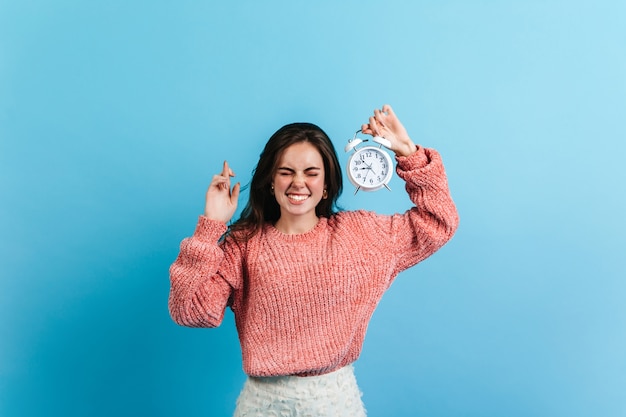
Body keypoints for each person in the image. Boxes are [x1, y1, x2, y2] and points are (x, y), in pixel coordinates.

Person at [169, 105, 459, 416]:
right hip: (263, 407)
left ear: (325, 184)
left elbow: (438, 221)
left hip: (335, 404)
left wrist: (409, 153)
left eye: (311, 173)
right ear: (270, 181)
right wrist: (211, 225)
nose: (298, 183)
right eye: (286, 172)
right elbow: (190, 311)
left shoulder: (360, 235)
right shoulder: (243, 245)